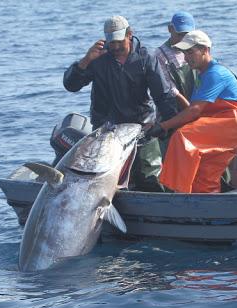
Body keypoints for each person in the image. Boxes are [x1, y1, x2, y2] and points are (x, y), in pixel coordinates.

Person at [63, 16, 178, 191]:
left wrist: (166, 125)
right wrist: (86, 60)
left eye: (119, 41)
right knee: (110, 182)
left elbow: (162, 96)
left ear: (129, 35)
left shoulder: (145, 58)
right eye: (111, 42)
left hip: (141, 130)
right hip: (107, 132)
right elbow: (71, 85)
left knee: (150, 180)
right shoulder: (97, 60)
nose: (115, 47)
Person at [144, 30, 237, 193]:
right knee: (205, 173)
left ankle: (177, 191)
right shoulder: (202, 75)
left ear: (205, 50)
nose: (186, 57)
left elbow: (194, 111)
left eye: (190, 52)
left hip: (233, 126)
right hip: (228, 128)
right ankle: (207, 204)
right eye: (184, 52)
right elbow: (194, 109)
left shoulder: (215, 73)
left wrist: (163, 126)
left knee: (182, 137)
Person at [154, 12, 197, 110]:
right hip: (176, 106)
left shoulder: (196, 47)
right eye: (179, 34)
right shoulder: (160, 54)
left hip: (196, 102)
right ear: (170, 29)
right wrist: (190, 110)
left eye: (187, 35)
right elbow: (170, 88)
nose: (183, 39)